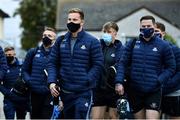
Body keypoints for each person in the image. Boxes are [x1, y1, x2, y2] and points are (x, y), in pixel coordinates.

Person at [115, 15, 176, 119]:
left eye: (149, 25)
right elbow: (122, 63)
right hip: (135, 90)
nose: (146, 28)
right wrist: (119, 82)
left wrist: (159, 80)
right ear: (140, 27)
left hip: (153, 90)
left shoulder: (163, 45)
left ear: (154, 26)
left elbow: (171, 67)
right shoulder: (133, 43)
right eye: (143, 26)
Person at [48, 8, 104, 119]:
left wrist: (87, 79)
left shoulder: (92, 41)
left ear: (82, 22)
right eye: (69, 19)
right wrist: (52, 82)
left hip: (83, 92)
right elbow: (52, 63)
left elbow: (98, 64)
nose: (71, 22)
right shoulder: (60, 40)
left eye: (75, 19)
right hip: (65, 93)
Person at [91, 21, 124, 119]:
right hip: (98, 89)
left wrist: (119, 82)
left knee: (112, 117)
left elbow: (121, 66)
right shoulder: (97, 46)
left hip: (113, 90)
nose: (106, 34)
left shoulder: (120, 48)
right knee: (96, 117)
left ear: (115, 33)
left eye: (109, 32)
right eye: (104, 31)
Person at [22, 27, 56, 119]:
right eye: (44, 35)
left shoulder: (57, 54)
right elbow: (24, 70)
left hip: (50, 93)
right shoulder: (33, 52)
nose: (46, 37)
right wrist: (30, 81)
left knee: (46, 116)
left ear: (54, 39)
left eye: (49, 36)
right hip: (34, 92)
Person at [155, 22, 180, 119]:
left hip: (172, 92)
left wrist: (168, 84)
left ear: (163, 33)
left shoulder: (174, 49)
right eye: (153, 31)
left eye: (157, 31)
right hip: (154, 92)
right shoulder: (148, 49)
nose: (154, 34)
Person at [0, 46, 29, 119]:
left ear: (14, 54)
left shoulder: (22, 65)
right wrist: (7, 93)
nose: (8, 57)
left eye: (10, 55)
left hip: (22, 99)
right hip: (9, 99)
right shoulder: (3, 68)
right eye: (6, 55)